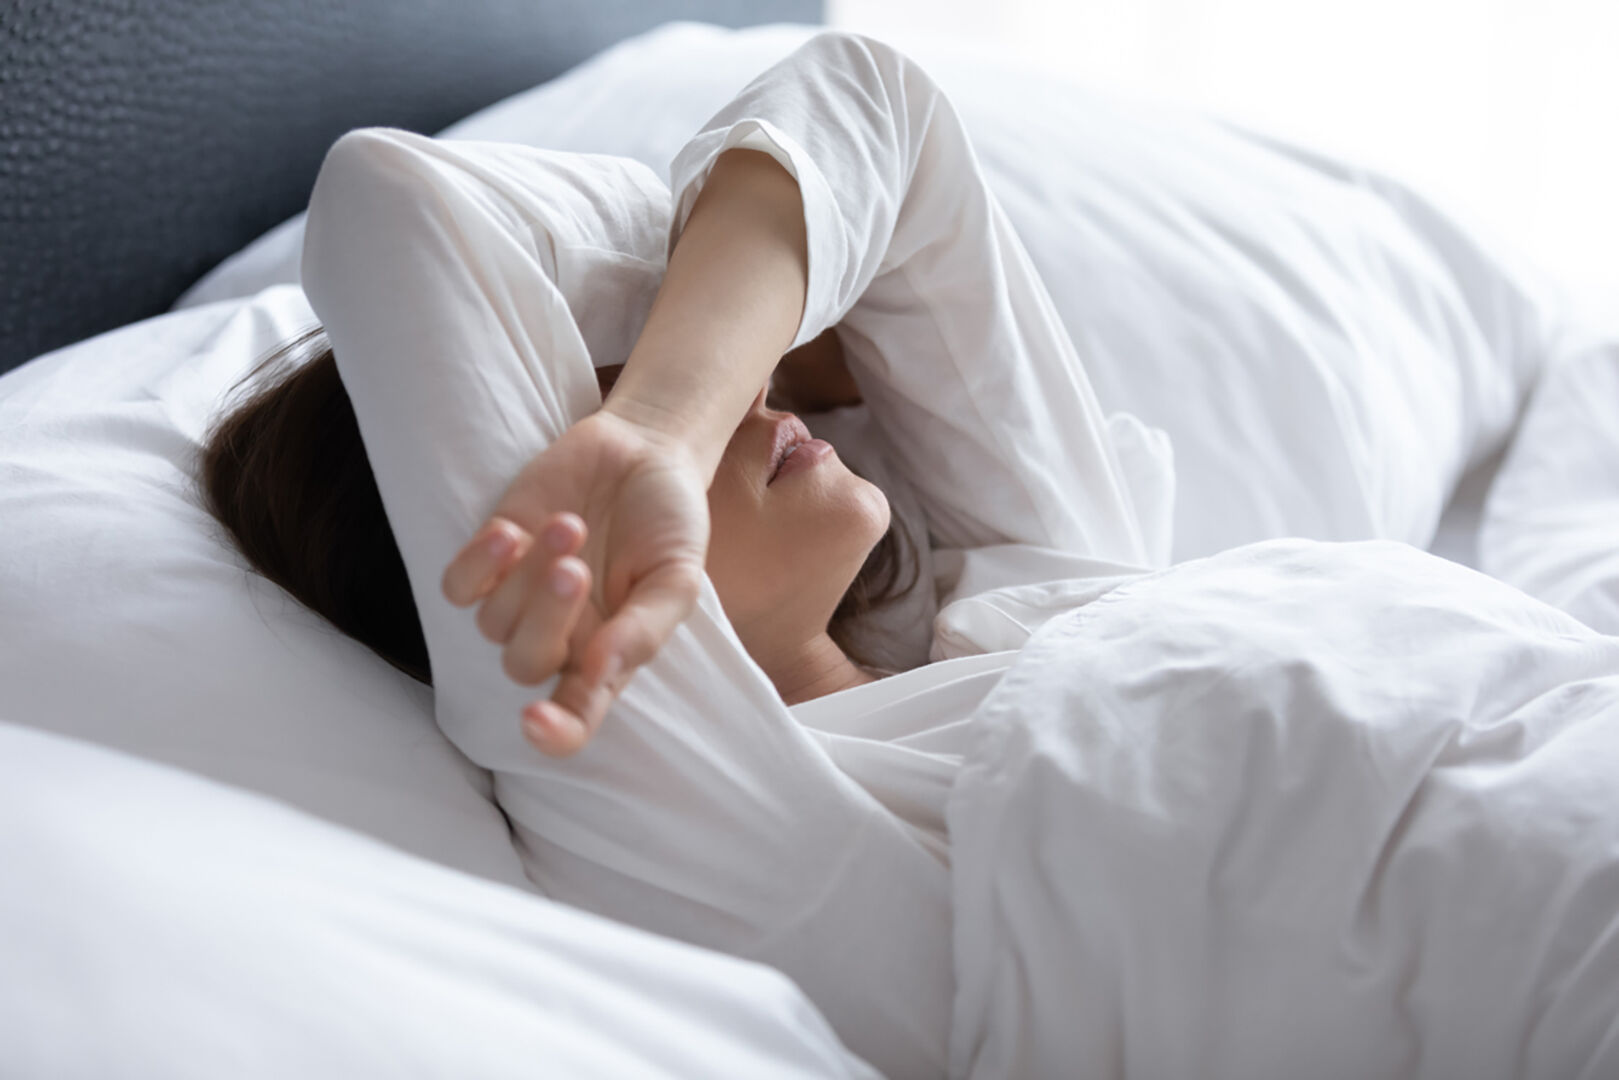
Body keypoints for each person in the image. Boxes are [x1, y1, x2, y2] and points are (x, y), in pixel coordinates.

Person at [203, 31, 1172, 1076]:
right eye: (609, 400)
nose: (749, 392)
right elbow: (401, 204)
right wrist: (657, 430)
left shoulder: (1026, 586)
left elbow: (873, 101)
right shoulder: (755, 827)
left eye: (735, 377)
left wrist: (667, 416)